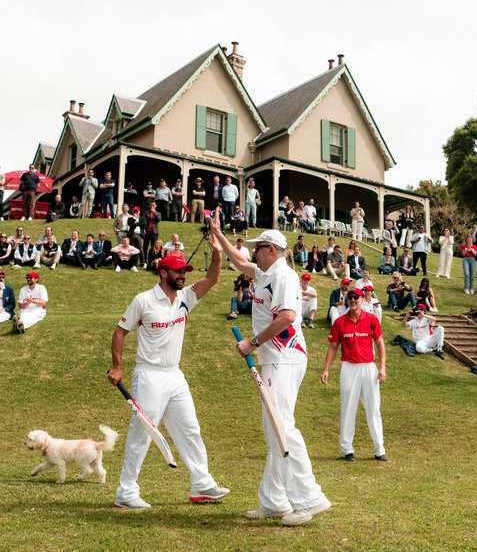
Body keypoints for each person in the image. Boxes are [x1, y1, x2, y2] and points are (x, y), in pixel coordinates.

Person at [209, 218, 331, 526]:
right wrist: (219, 235)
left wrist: (252, 342)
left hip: (284, 357)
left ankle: (310, 498)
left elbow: (289, 316)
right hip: (274, 358)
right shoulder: (265, 272)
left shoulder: (285, 276)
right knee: (273, 430)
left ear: (272, 250)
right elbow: (239, 263)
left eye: (258, 248)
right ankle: (275, 501)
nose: (253, 253)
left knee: (282, 428)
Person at [107, 243, 230, 510]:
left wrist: (218, 252)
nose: (183, 275)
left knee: (190, 429)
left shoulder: (186, 297)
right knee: (142, 433)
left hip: (174, 375)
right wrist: (117, 367)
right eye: (177, 271)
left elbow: (212, 278)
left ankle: (201, 483)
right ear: (163, 272)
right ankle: (126, 493)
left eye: (184, 270)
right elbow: (120, 332)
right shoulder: (143, 300)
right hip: (148, 375)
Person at [322, 287, 387, 462]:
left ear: (362, 299)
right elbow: (333, 347)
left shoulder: (372, 319)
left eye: (356, 297)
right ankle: (346, 449)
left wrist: (382, 367)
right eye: (350, 297)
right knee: (348, 408)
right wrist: (326, 369)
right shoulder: (339, 322)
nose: (353, 300)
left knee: (373, 408)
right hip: (349, 368)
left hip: (368, 367)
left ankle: (379, 449)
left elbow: (380, 343)